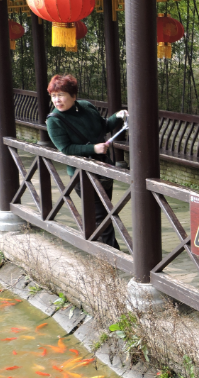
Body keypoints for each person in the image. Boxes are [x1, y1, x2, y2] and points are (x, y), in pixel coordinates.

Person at [46, 74, 127, 249]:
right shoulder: (54, 120)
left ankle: (100, 251)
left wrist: (118, 115)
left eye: (61, 95)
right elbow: (66, 148)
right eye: (53, 96)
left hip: (103, 167)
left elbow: (104, 126)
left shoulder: (86, 106)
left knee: (106, 211)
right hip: (80, 174)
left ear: (73, 96)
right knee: (102, 216)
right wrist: (93, 149)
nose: (56, 100)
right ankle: (114, 255)